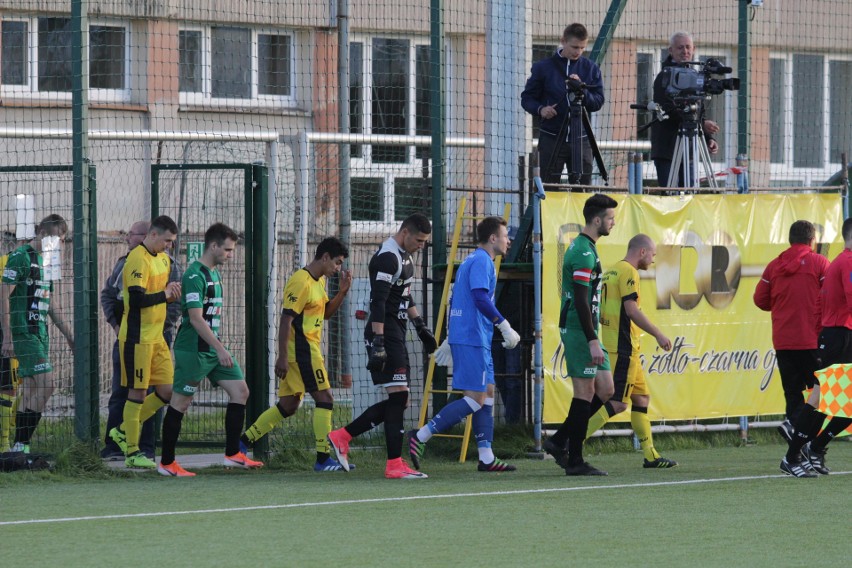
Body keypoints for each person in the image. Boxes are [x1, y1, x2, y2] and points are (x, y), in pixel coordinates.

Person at [327, 213, 437, 479]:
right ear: (405, 233)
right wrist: (378, 342)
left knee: (400, 399)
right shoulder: (387, 257)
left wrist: (420, 326)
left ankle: (343, 436)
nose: (422, 245)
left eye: (425, 241)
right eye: (419, 240)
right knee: (399, 398)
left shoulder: (406, 257)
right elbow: (378, 301)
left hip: (396, 331)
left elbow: (404, 295)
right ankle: (393, 464)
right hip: (384, 332)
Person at [406, 216, 520, 472]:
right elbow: (479, 298)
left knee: (487, 393)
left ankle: (486, 458)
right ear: (493, 238)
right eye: (504, 235)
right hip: (473, 338)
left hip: (472, 336)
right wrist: (504, 324)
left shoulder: (473, 260)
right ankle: (420, 435)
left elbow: (458, 299)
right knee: (477, 398)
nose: (508, 240)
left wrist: (450, 337)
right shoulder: (482, 261)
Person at [239, 237, 352, 472]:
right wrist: (281, 356)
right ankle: (323, 458)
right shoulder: (300, 281)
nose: (338, 268)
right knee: (326, 399)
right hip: (303, 352)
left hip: (305, 351)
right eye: (337, 262)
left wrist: (342, 293)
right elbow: (286, 319)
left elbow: (326, 314)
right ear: (324, 257)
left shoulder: (318, 281)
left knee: (289, 405)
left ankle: (242, 442)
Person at [158, 223, 262, 476]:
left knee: (241, 391)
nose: (231, 254)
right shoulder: (194, 275)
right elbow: (195, 318)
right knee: (181, 403)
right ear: (213, 246)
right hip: (194, 350)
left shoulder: (214, 273)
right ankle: (167, 463)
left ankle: (232, 454)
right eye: (227, 249)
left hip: (212, 349)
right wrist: (220, 349)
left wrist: (217, 348)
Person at [544, 193, 617, 476]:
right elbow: (581, 300)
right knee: (585, 392)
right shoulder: (583, 252)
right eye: (610, 218)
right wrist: (592, 339)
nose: (613, 223)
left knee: (607, 390)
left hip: (586, 328)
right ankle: (575, 460)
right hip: (578, 329)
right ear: (597, 220)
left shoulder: (588, 247)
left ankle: (560, 439)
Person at [588, 234, 676, 468]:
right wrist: (658, 333)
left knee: (641, 398)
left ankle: (650, 455)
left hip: (625, 346)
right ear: (642, 252)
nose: (653, 261)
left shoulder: (612, 270)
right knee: (617, 403)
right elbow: (631, 310)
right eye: (653, 255)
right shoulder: (629, 272)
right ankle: (571, 442)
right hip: (623, 346)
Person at [100, 220, 182, 460]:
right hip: (137, 339)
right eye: (167, 240)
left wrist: (171, 296)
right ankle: (133, 451)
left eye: (172, 242)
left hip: (158, 339)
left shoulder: (166, 260)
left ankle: (123, 432)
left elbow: (168, 301)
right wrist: (164, 295)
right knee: (135, 393)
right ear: (153, 234)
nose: (169, 246)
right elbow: (134, 301)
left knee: (166, 392)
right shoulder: (136, 258)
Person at [781, 217, 852, 478]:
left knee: (838, 401)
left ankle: (815, 447)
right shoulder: (847, 262)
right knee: (822, 398)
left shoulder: (841, 262)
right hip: (837, 336)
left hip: (841, 334)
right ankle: (793, 455)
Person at [0, 215, 74, 454]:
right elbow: (3, 294)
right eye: (52, 238)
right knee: (48, 384)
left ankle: (19, 449)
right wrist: (8, 335)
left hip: (39, 332)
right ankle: (21, 444)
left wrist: (69, 335)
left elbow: (50, 302)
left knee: (32, 389)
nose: (56, 244)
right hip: (23, 331)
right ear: (40, 232)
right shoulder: (20, 257)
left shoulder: (50, 261)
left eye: (60, 241)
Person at [753, 220, 828, 442]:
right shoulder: (820, 263)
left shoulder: (774, 266)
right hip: (812, 340)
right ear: (812, 241)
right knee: (820, 393)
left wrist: (781, 305)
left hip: (784, 340)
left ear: (790, 239)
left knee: (793, 395)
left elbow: (760, 299)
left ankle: (796, 448)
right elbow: (831, 295)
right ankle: (796, 428)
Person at [521, 22, 605, 185]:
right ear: (563, 41)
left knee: (582, 191)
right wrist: (541, 109)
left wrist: (582, 90)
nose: (578, 52)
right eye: (574, 47)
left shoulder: (591, 69)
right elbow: (527, 98)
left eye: (582, 48)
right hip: (551, 138)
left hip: (581, 139)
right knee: (547, 189)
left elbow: (598, 102)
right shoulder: (543, 68)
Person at [650, 31, 720, 187]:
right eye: (680, 47)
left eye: (688, 47)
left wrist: (709, 138)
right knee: (670, 199)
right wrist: (702, 124)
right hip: (667, 151)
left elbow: (698, 112)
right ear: (671, 50)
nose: (685, 51)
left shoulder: (696, 75)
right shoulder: (664, 77)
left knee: (689, 198)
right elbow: (669, 111)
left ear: (693, 49)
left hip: (689, 151)